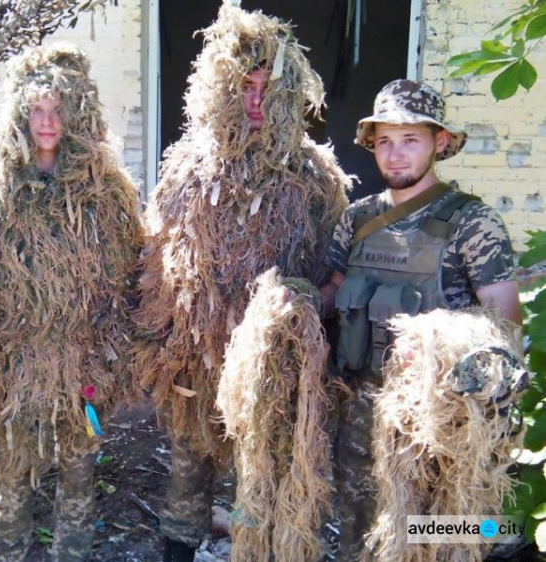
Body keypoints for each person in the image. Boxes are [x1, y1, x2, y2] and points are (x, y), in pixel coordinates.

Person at [132, 6, 352, 561]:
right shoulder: (187, 168)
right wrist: (162, 344)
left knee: (262, 477)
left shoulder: (316, 178)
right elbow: (160, 261)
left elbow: (333, 272)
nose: (256, 101)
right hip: (195, 362)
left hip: (272, 367)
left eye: (267, 87)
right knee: (187, 477)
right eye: (243, 87)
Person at [319, 78, 522, 560]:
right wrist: (285, 311)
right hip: (361, 413)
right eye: (385, 142)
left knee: (430, 538)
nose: (395, 154)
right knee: (359, 533)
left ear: (440, 142)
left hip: (438, 422)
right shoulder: (357, 217)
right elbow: (332, 292)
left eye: (410, 140)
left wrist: (443, 344)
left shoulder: (473, 223)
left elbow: (505, 330)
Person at [0, 44, 143, 562]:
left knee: (80, 474)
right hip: (16, 372)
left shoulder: (108, 195)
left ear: (77, 113)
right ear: (20, 113)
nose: (47, 121)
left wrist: (107, 367)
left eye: (58, 110)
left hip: (83, 371)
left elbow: (124, 285)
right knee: (11, 481)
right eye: (37, 110)